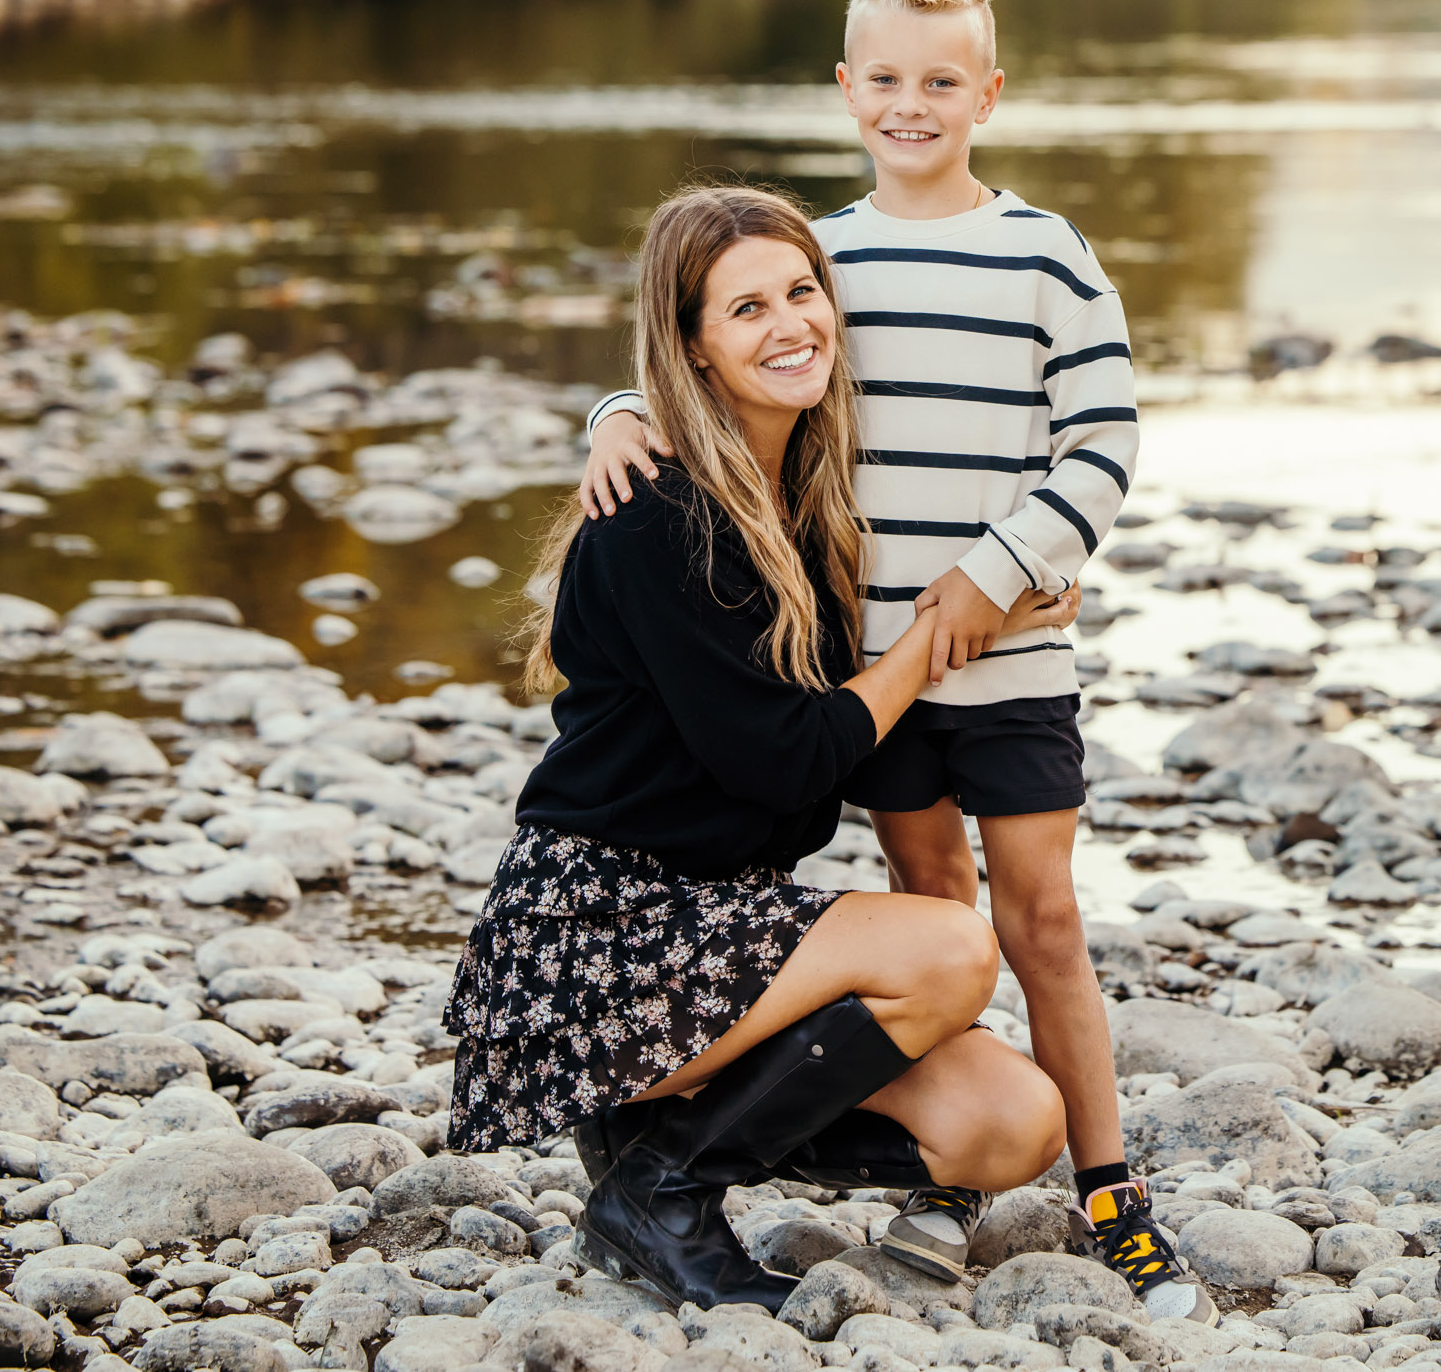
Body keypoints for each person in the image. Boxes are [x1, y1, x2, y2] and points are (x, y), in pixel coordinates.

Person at [578, 0, 1213, 1325]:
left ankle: (1112, 1187)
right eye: (884, 79)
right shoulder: (825, 258)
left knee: (1041, 916)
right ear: (845, 90)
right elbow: (710, 342)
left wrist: (1003, 571)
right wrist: (610, 417)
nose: (910, 103)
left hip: (1015, 655)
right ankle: (958, 1163)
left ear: (989, 91)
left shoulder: (1047, 252)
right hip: (869, 671)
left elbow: (1103, 442)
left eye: (940, 80)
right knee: (934, 911)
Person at [442, 184, 1071, 1311]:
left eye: (801, 292)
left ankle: (658, 1156)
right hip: (593, 945)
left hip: (722, 948)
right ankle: (663, 1190)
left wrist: (1014, 573)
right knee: (947, 948)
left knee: (1013, 1121)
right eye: (746, 309)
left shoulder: (804, 500)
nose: (791, 324)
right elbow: (791, 759)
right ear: (692, 343)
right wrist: (950, 624)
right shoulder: (658, 514)